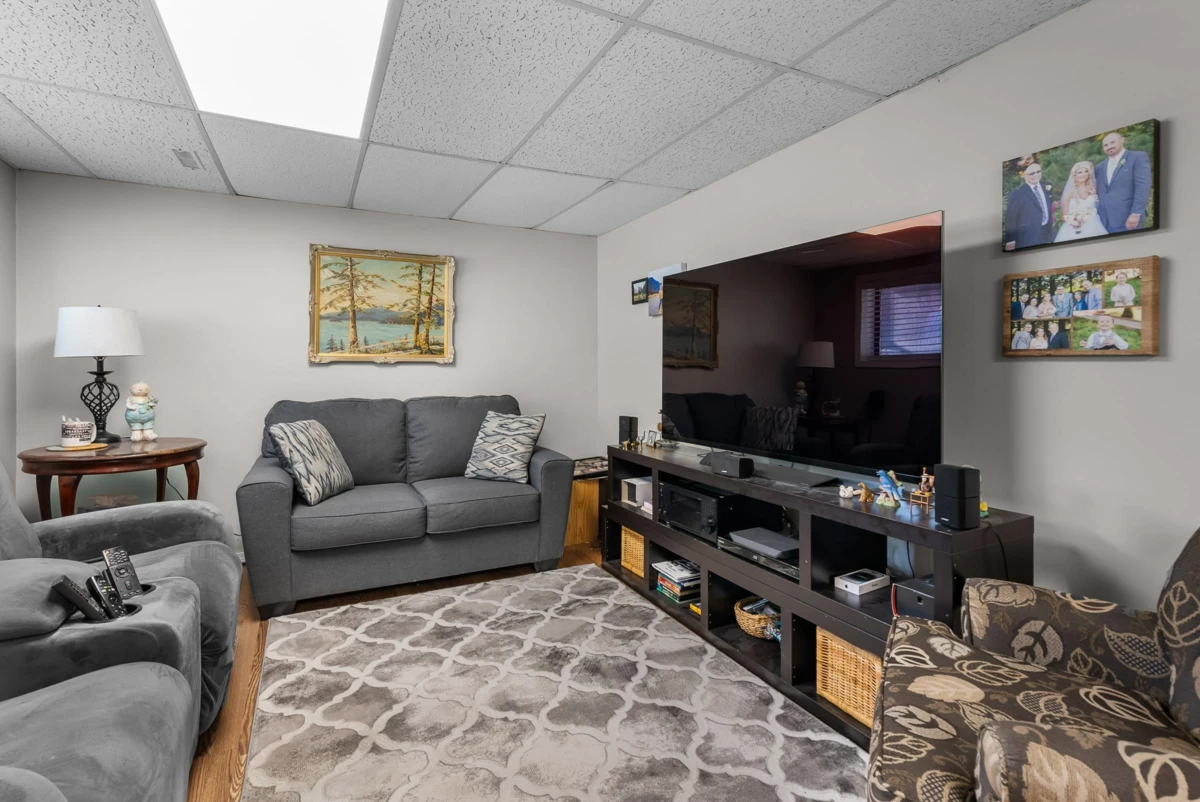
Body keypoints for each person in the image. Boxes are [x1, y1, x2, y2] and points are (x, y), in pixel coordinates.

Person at [1096, 131, 1152, 235]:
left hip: (1128, 219)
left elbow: (1142, 186)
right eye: (1106, 145)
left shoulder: (1137, 158)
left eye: (1112, 142)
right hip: (1104, 221)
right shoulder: (1099, 167)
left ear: (1122, 140)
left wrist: (1135, 213)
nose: (1109, 147)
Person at [1004, 162, 1055, 250]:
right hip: (1028, 239)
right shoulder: (1018, 194)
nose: (1036, 175)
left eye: (1038, 172)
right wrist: (1010, 241)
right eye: (1032, 173)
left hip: (1046, 235)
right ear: (1025, 176)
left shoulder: (1047, 186)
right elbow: (1011, 220)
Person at [1054, 161, 1109, 243]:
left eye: (1086, 171)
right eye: (1080, 172)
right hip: (1074, 228)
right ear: (1074, 174)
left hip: (1094, 225)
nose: (1084, 174)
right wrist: (1074, 221)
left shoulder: (1093, 188)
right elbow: (1064, 215)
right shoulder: (1069, 192)